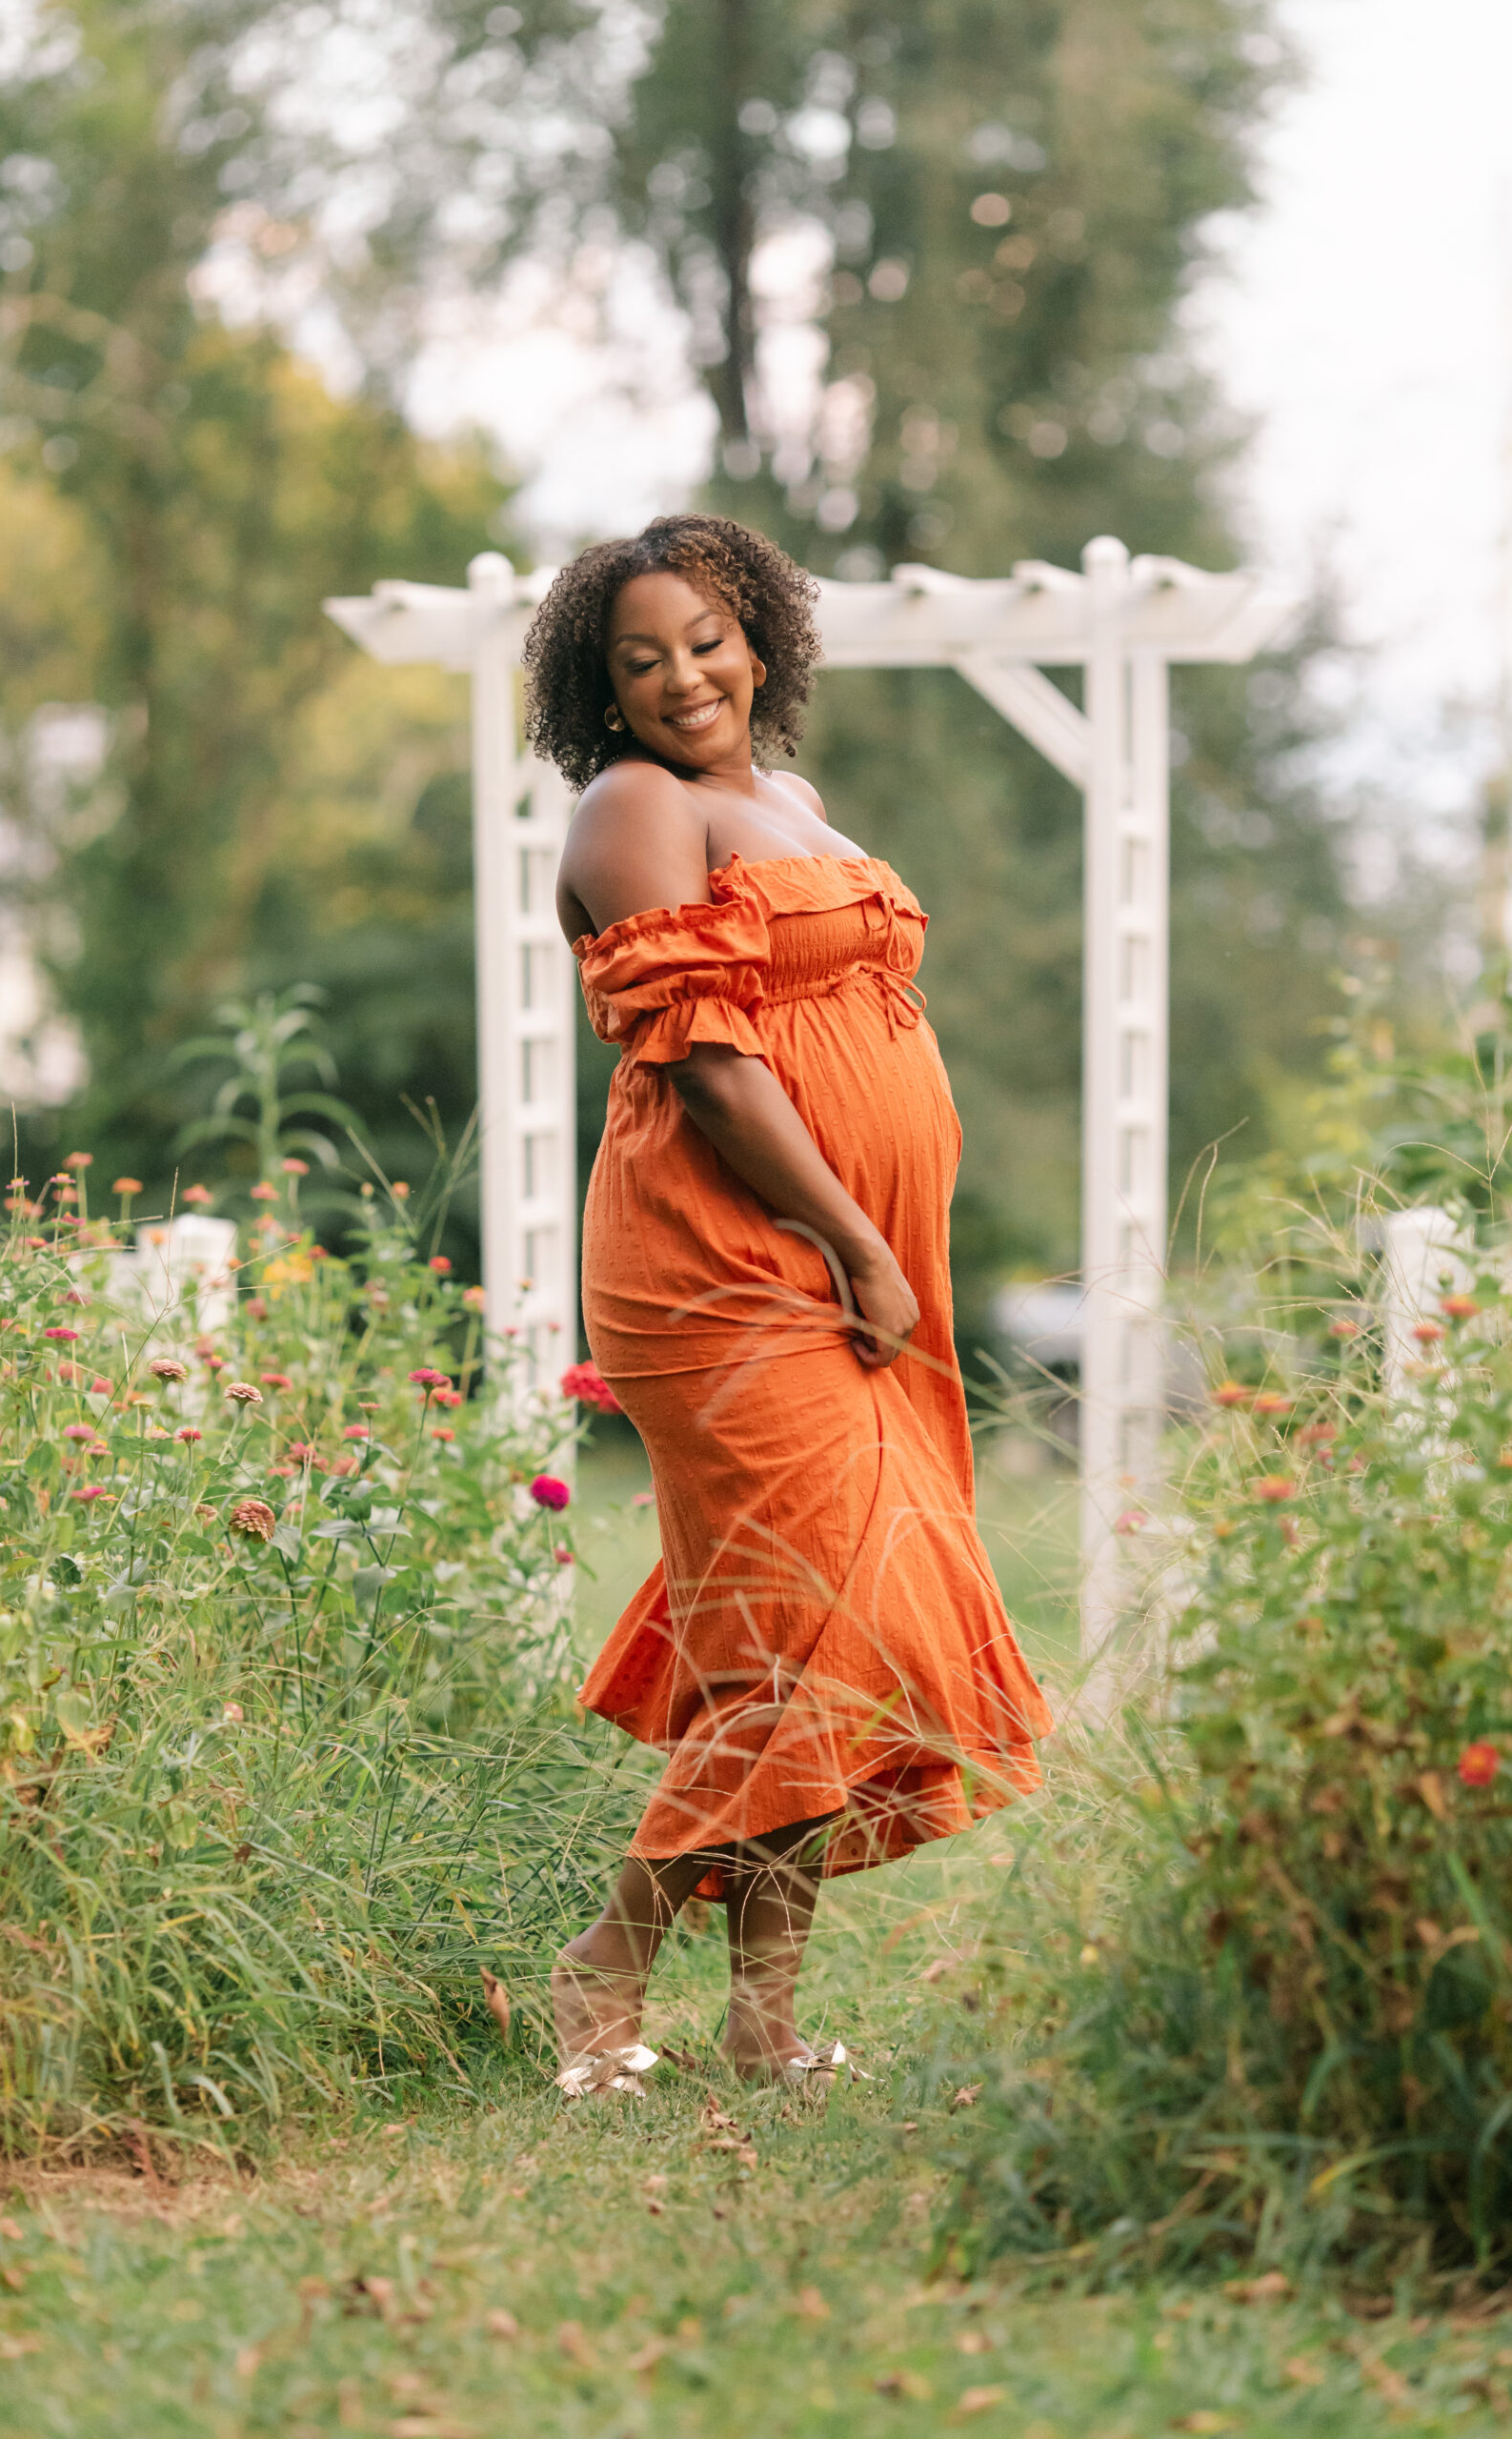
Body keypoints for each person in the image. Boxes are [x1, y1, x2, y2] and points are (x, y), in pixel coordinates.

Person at [527, 513, 1051, 2093]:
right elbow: (706, 1062)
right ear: (599, 691)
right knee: (836, 1629)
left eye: (708, 639)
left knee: (783, 1631)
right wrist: (855, 1240)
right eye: (641, 660)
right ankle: (597, 1977)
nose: (684, 678)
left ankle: (760, 2026)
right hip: (728, 1259)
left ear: (761, 637)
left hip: (847, 1257)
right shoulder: (634, 808)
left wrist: (887, 1232)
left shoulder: (791, 804)